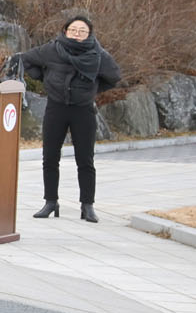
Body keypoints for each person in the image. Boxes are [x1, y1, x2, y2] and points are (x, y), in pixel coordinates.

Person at [20, 14, 122, 223]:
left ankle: (87, 205)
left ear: (89, 34)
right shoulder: (52, 49)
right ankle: (50, 202)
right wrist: (46, 79)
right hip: (56, 107)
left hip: (83, 110)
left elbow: (114, 76)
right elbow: (27, 59)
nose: (77, 34)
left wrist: (92, 90)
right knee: (50, 157)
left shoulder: (98, 54)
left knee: (85, 160)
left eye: (82, 31)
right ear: (65, 31)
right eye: (73, 30)